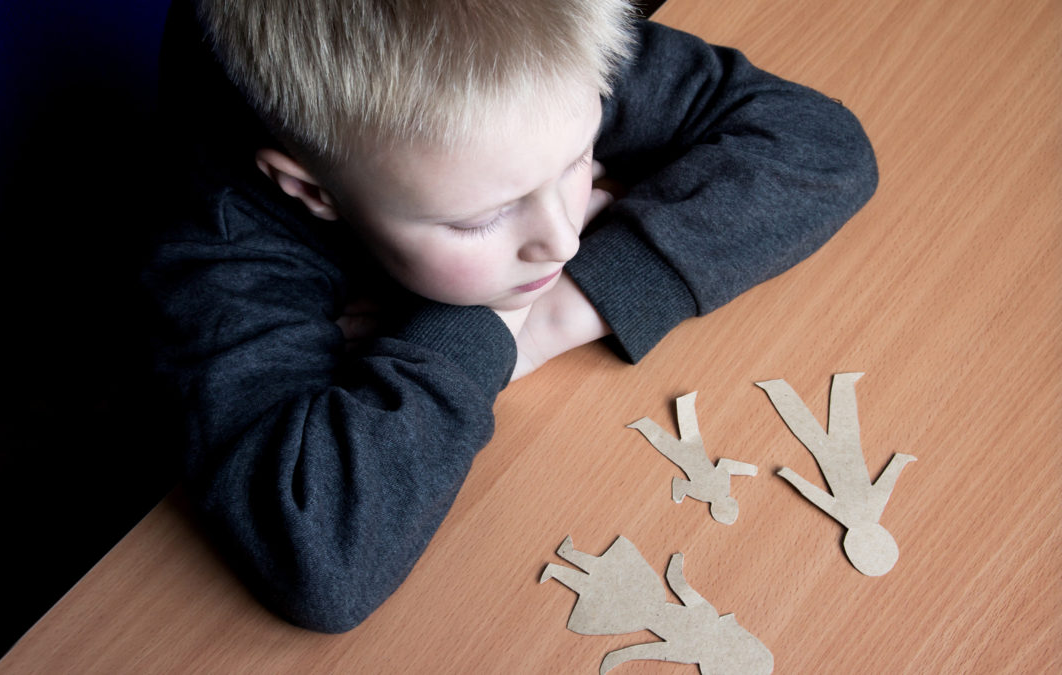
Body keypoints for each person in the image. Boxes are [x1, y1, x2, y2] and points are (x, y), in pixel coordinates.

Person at [144, 0, 878, 633]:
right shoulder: (222, 244)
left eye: (580, 159)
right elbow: (321, 558)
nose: (561, 237)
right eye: (481, 220)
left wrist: (551, 317)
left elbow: (819, 146)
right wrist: (481, 323)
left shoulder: (529, 50)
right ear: (311, 190)